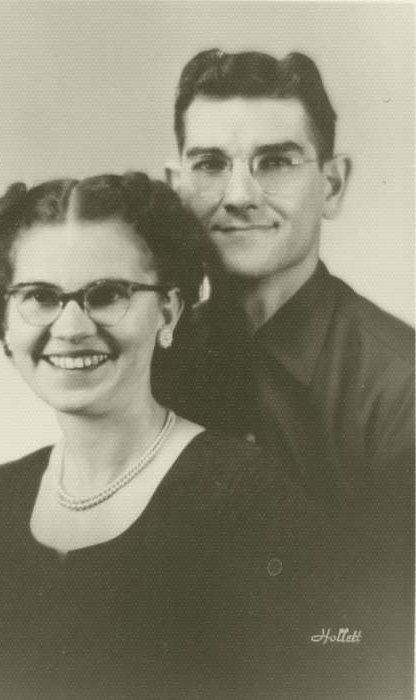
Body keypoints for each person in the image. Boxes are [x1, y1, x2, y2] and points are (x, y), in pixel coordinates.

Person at [0, 173, 342, 699]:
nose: (71, 327)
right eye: (39, 296)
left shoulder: (248, 499)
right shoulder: (1, 498)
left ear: (168, 312)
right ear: (6, 322)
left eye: (107, 295)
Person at [159, 49, 414, 695]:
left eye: (276, 162)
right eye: (211, 164)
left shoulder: (401, 388)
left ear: (332, 185)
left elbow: (381, 644)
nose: (240, 196)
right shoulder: (150, 358)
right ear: (176, 187)